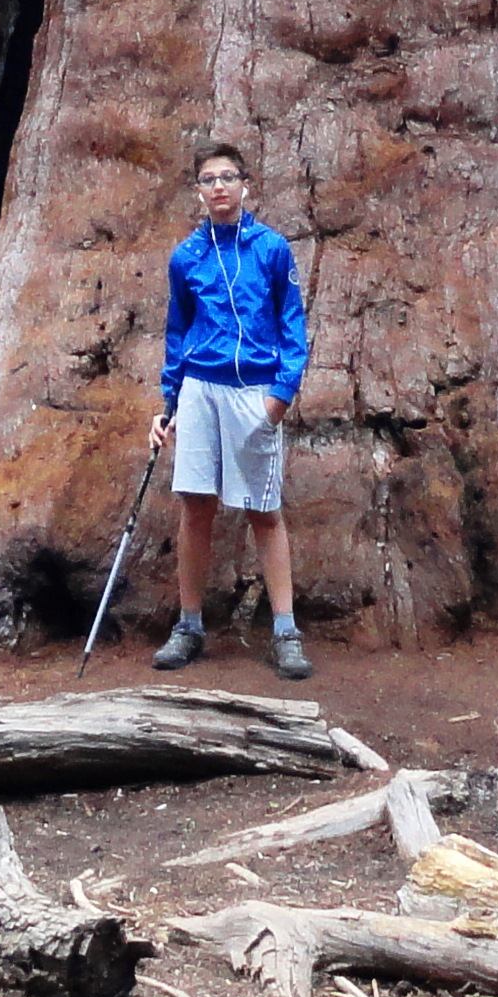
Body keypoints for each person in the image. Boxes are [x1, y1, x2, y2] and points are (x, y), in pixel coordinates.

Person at [154, 142, 312, 679]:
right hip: (200, 387)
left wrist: (280, 395)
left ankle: (286, 629)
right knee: (196, 506)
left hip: (256, 391)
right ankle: (189, 624)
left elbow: (292, 322)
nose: (218, 187)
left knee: (263, 510)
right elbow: (178, 332)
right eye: (207, 179)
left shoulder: (272, 249)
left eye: (227, 176)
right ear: (198, 192)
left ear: (246, 184)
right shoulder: (187, 257)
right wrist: (169, 401)